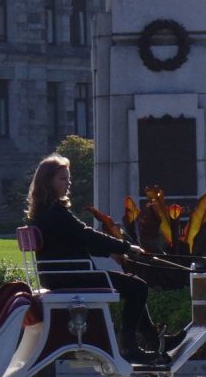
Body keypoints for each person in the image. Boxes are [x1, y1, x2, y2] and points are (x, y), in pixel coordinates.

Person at [25, 153, 175, 362]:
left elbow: (72, 241)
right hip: (72, 275)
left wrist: (112, 251)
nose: (68, 183)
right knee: (137, 287)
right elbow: (86, 235)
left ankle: (153, 340)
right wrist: (126, 247)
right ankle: (131, 347)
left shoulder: (43, 212)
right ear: (47, 182)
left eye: (68, 178)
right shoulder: (55, 213)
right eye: (62, 178)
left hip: (61, 274)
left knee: (133, 286)